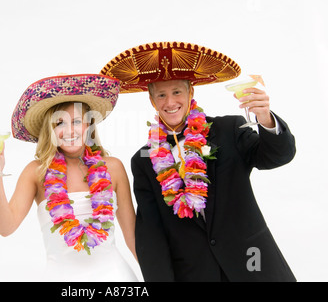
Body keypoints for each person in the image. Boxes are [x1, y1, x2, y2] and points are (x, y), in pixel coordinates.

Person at [100, 41, 296, 281]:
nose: (170, 102)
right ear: (152, 101)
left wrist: (265, 119)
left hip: (254, 267)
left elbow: (277, 156)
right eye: (161, 95)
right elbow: (152, 236)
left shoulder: (229, 130)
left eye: (176, 92)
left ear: (191, 92)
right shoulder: (143, 161)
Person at [0, 74, 138, 281]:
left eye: (76, 121)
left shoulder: (113, 168)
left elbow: (133, 238)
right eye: (60, 123)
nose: (70, 130)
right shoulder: (37, 172)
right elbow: (5, 227)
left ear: (88, 125)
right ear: (50, 129)